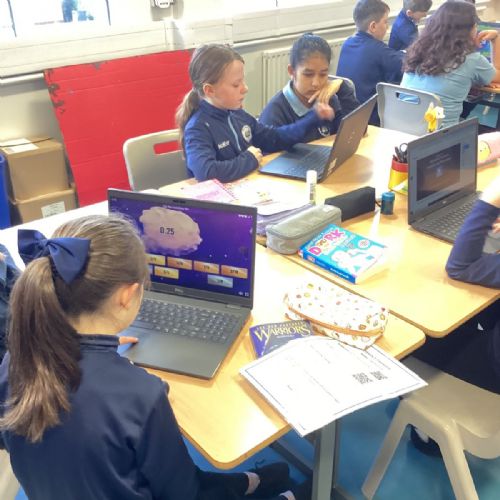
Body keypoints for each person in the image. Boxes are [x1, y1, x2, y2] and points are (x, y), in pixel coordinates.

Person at [0, 214, 310, 500]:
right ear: (127, 296)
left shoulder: (14, 359)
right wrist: (135, 390)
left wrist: (102, 355)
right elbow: (182, 493)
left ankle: (243, 483)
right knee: (198, 482)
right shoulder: (141, 395)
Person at [410, 176, 500, 455]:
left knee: (411, 337)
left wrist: (490, 200)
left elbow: (461, 266)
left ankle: (428, 433)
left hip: (493, 367)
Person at [175, 44, 334, 183]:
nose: (245, 88)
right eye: (236, 84)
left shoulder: (237, 115)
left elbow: (275, 138)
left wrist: (313, 117)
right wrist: (249, 159)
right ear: (210, 90)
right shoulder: (197, 128)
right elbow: (207, 173)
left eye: (243, 81)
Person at [401, 0, 500, 128]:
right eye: (475, 25)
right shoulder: (471, 59)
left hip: (403, 129)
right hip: (441, 135)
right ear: (467, 30)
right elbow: (498, 74)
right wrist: (496, 39)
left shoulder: (417, 50)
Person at [259, 33, 360, 142]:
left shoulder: (328, 98)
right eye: (308, 74)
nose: (316, 83)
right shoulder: (274, 112)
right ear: (292, 71)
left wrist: (342, 88)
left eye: (323, 74)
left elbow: (356, 132)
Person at [336, 0, 404, 125]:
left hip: (348, 115)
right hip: (372, 119)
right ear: (373, 26)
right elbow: (404, 64)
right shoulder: (378, 50)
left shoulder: (347, 43)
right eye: (385, 22)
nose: (387, 26)